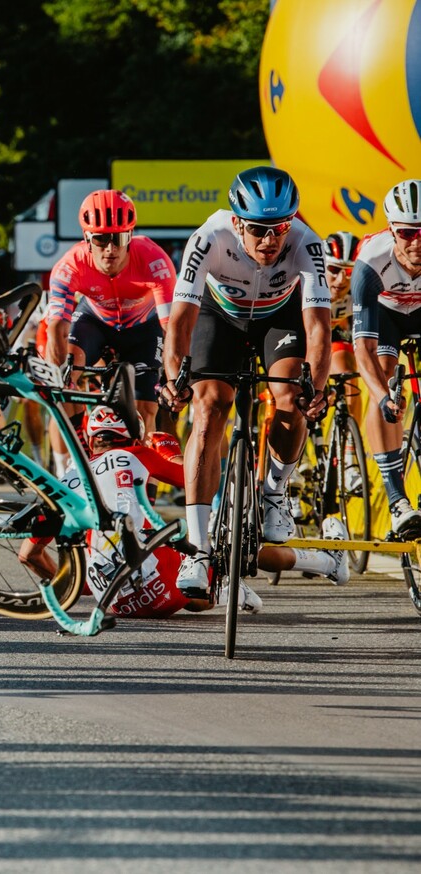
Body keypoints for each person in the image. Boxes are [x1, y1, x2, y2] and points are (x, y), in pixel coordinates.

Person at [159, 166, 331, 596]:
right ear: (237, 222)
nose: (271, 240)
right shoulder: (209, 237)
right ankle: (198, 548)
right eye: (258, 229)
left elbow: (318, 329)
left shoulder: (307, 243)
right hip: (222, 318)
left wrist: (318, 385)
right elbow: (180, 322)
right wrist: (174, 377)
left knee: (291, 395)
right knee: (210, 405)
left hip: (280, 317)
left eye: (280, 228)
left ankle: (274, 490)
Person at [17, 407, 349, 617]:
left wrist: (84, 588)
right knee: (228, 542)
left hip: (116, 602)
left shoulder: (63, 480)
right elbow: (194, 480)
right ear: (133, 433)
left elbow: (28, 554)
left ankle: (220, 592)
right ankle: (327, 564)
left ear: (90, 440)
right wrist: (167, 449)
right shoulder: (136, 454)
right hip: (166, 588)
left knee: (171, 556)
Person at [45, 190, 177, 437]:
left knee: (145, 410)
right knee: (65, 369)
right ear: (86, 238)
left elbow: (172, 327)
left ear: (131, 235)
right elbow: (56, 329)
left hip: (143, 329)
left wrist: (173, 377)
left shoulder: (153, 259)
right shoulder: (71, 264)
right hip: (95, 322)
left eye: (119, 238)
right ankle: (77, 453)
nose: (110, 249)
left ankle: (141, 468)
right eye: (101, 239)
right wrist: (59, 380)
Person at [350, 179, 421, 536]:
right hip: (387, 313)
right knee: (385, 375)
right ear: (393, 230)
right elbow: (362, 347)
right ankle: (396, 498)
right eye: (408, 233)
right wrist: (381, 395)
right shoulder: (370, 260)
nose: (417, 242)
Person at [323, 230, 365, 493]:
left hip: (334, 332)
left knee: (348, 377)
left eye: (349, 273)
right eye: (335, 270)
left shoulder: (361, 287)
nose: (341, 280)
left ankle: (350, 457)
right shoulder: (306, 280)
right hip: (303, 333)